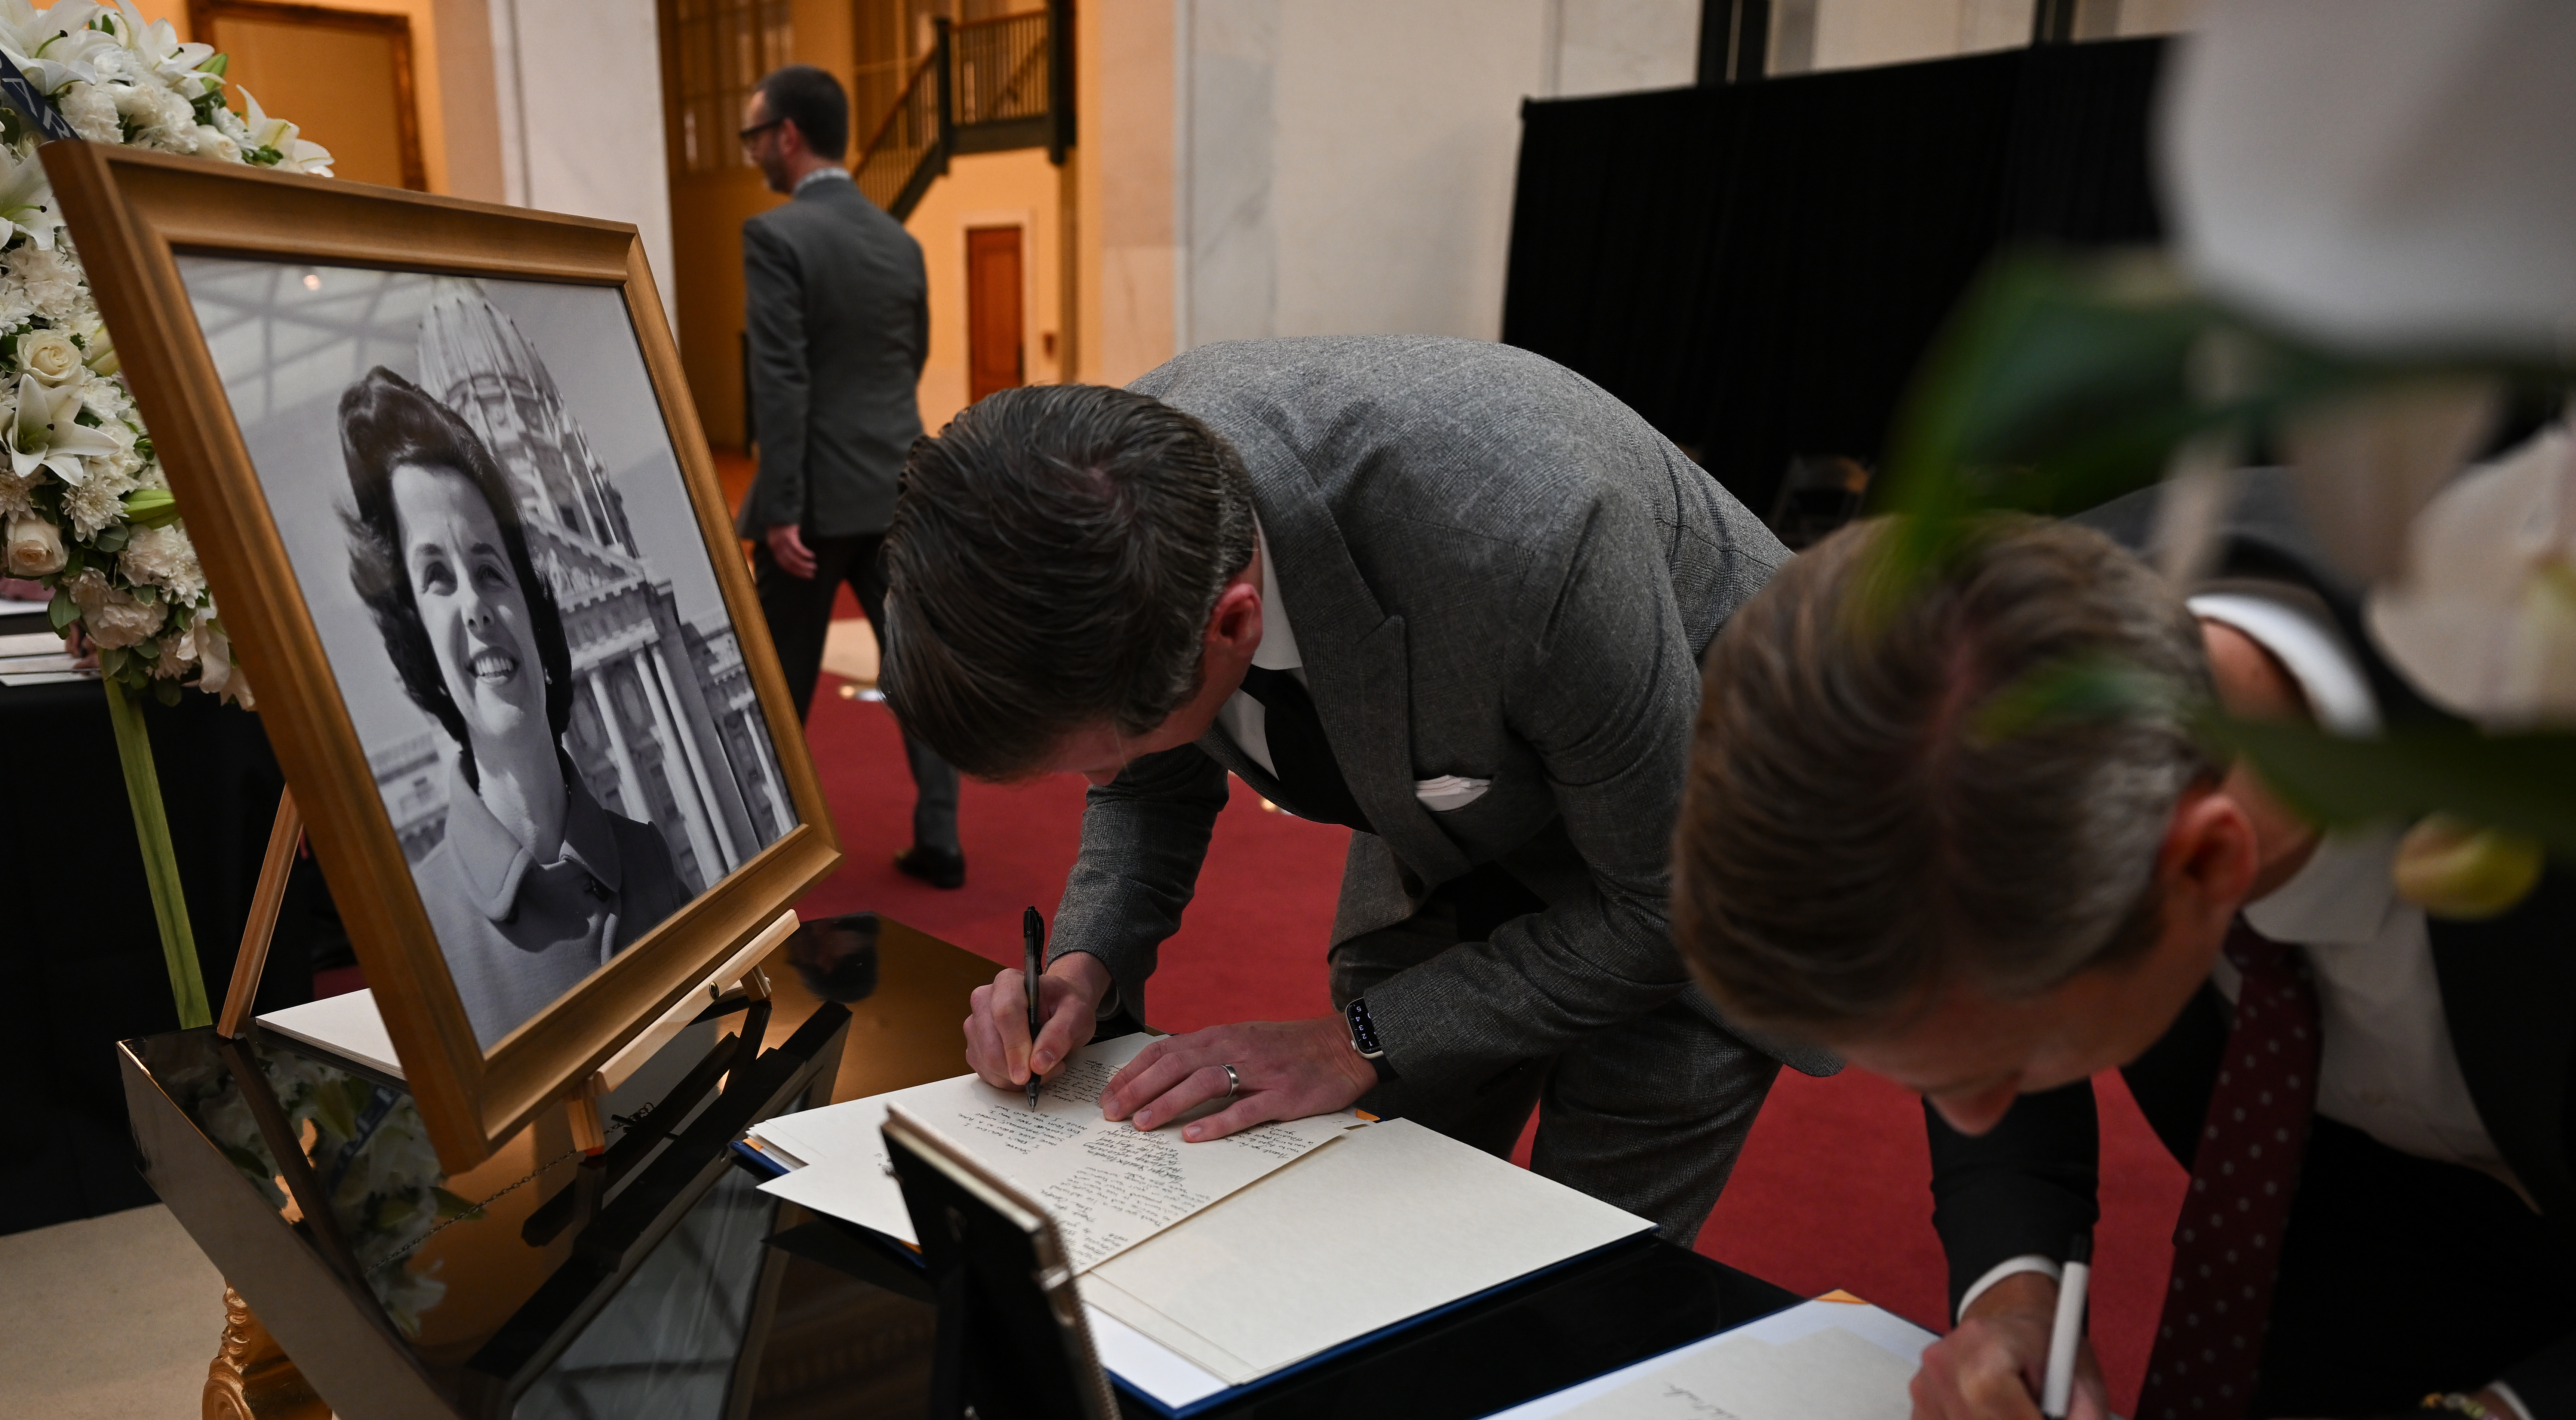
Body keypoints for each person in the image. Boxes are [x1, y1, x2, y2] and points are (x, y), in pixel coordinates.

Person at [1669, 476, 2576, 1420]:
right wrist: (2013, 1287)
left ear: (2211, 862)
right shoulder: (1987, 691)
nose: (1970, 1114)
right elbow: (1973, 957)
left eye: (2004, 1066)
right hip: (2363, 1188)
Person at [879, 339, 1835, 1244]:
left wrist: (1356, 1038)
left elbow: (1665, 911)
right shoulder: (1124, 503)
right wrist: (1084, 966)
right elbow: (1147, 785)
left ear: (1233, 623)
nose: (1096, 782)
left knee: (1569, 1274)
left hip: (1719, 837)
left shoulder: (1529, 537)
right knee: (1361, 1221)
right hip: (1452, 810)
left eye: (1102, 751)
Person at [341, 366, 690, 1049]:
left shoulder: (648, 857)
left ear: (532, 603)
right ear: (417, 638)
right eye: (436, 577)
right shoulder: (413, 932)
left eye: (490, 569)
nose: (474, 608)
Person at [737, 62, 965, 886]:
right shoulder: (898, 240)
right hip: (898, 485)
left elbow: (783, 381)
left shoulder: (776, 236)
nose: (754, 150)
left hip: (815, 497)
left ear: (788, 136)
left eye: (755, 134)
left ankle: (767, 853)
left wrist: (786, 505)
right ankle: (941, 839)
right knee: (914, 666)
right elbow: (913, 355)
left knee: (778, 678)